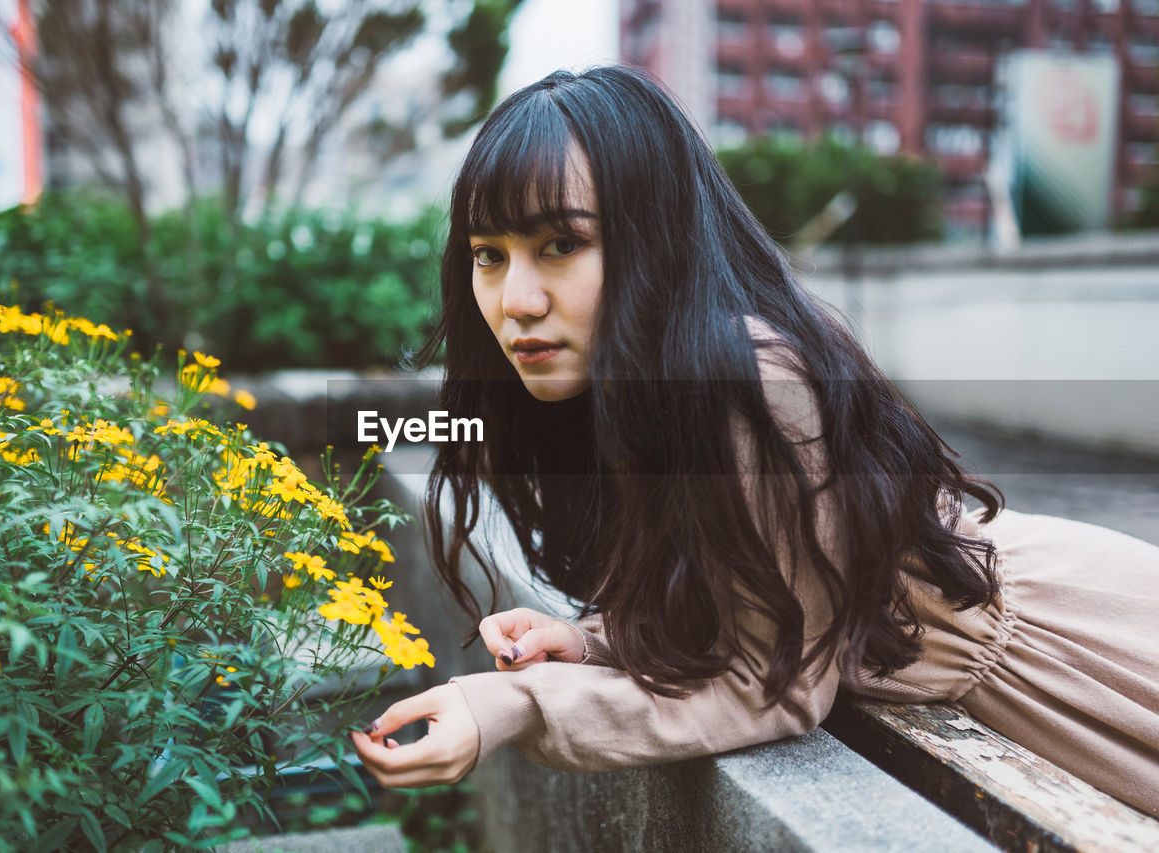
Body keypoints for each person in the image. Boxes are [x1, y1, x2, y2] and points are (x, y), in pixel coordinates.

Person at [349, 65, 1159, 816]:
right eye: (490, 256)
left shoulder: (751, 383)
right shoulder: (621, 387)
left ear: (652, 235)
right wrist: (593, 639)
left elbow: (771, 684)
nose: (515, 300)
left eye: (561, 243)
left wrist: (512, 705)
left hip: (1083, 665)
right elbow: (733, 597)